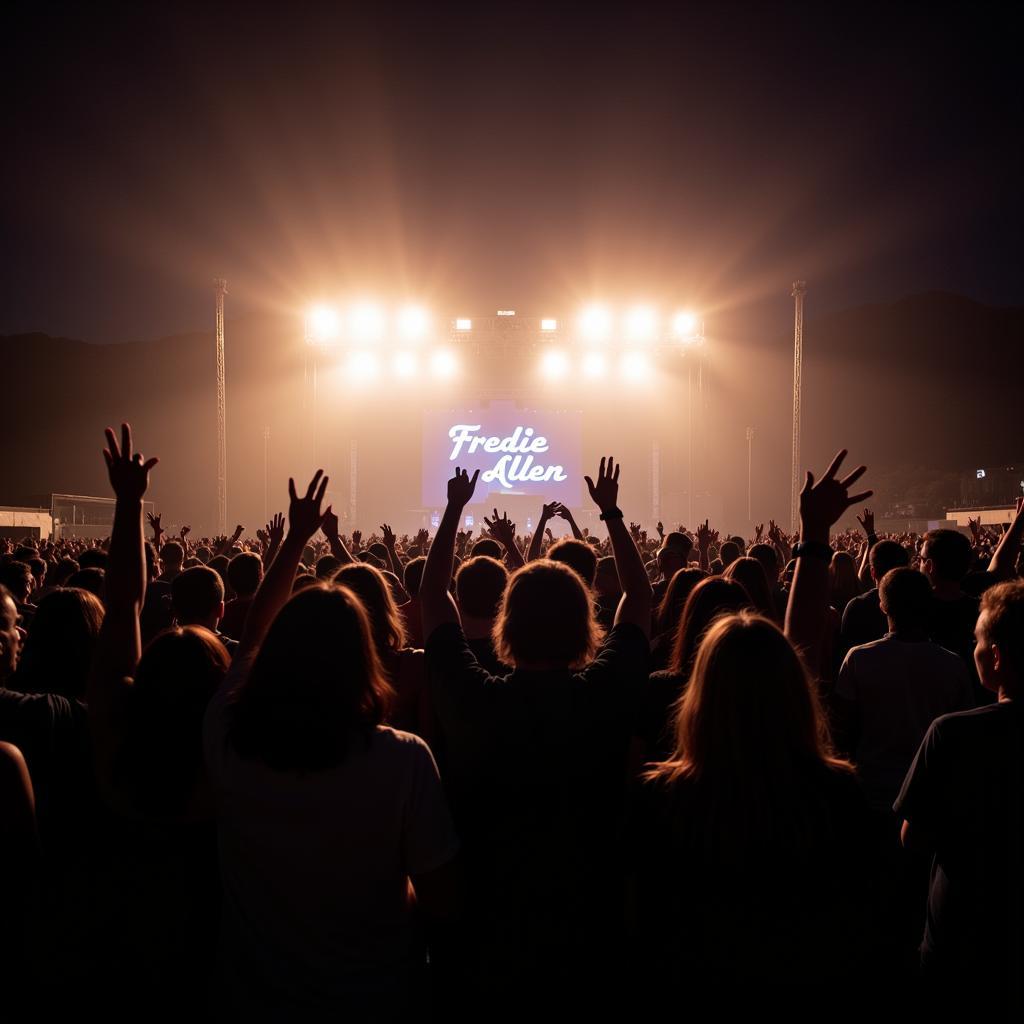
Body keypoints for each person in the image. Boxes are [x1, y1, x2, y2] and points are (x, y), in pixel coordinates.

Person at [204, 469, 459, 1017]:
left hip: (252, 1001)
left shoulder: (229, 739)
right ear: (365, 658)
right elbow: (441, 898)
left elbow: (250, 640)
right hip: (376, 1001)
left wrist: (295, 539)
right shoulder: (403, 759)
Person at [421, 456, 652, 1013]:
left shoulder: (473, 698)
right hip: (591, 918)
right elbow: (640, 600)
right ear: (584, 626)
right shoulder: (604, 691)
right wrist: (612, 515)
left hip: (486, 921)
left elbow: (431, 599)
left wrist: (454, 511)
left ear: (506, 625)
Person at [895, 579, 1024, 1012]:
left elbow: (913, 837)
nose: (974, 648)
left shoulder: (953, 732)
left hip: (963, 936)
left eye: (978, 640)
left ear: (999, 657)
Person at [833, 568, 974, 815]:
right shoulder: (953, 665)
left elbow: (842, 729)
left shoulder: (859, 658)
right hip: (930, 795)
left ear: (883, 607)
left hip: (871, 788)